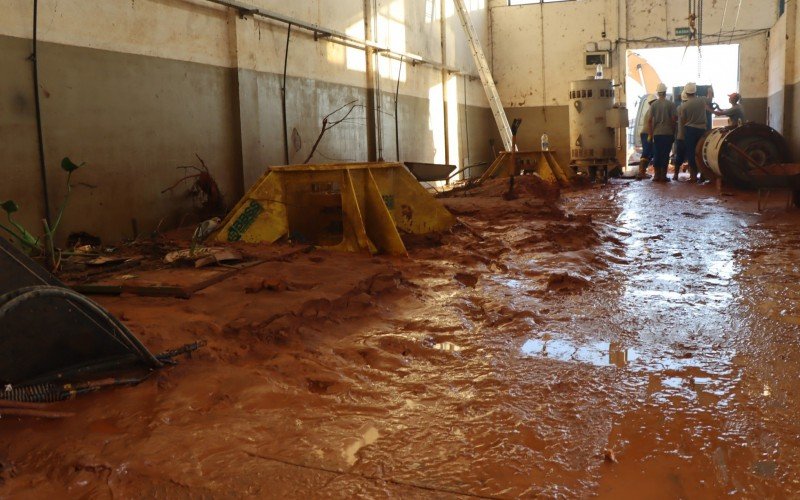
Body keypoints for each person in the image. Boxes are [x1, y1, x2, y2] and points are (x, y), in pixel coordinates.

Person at [647, 83, 677, 182]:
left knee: (657, 154)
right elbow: (673, 120)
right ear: (665, 92)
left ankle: (656, 176)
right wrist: (673, 132)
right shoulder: (671, 104)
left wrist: (651, 134)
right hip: (668, 133)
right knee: (665, 154)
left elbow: (649, 120)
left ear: (658, 93)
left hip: (657, 134)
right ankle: (663, 176)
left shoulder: (654, 105)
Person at [679, 82, 708, 183]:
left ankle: (693, 176)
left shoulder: (684, 106)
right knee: (701, 152)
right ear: (695, 91)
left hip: (690, 130)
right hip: (702, 130)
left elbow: (683, 120)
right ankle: (704, 175)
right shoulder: (702, 100)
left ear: (686, 93)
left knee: (691, 153)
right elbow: (710, 99)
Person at [636, 95, 658, 180]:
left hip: (647, 133)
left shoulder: (651, 110)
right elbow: (650, 123)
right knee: (646, 152)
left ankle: (643, 172)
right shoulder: (652, 111)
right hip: (647, 133)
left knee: (651, 152)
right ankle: (641, 172)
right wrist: (651, 135)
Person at [671, 90, 689, 181]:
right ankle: (694, 176)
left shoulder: (679, 108)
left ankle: (675, 175)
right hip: (690, 136)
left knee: (679, 157)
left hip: (681, 136)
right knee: (692, 156)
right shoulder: (692, 107)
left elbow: (675, 120)